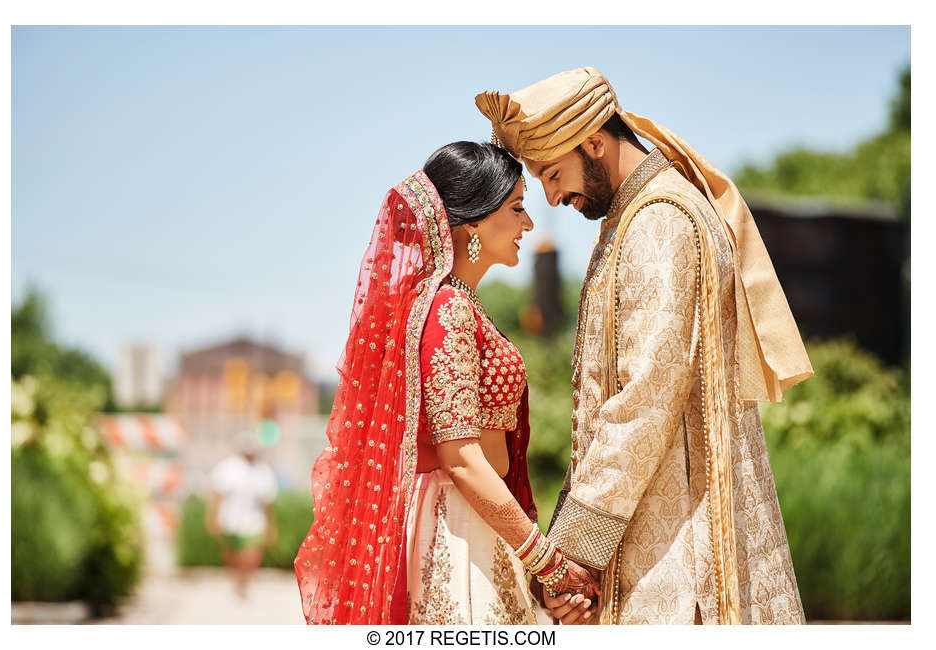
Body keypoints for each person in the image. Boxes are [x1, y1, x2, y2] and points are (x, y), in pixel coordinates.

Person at [475, 67, 814, 625]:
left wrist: (571, 552)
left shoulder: (660, 220)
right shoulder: (637, 215)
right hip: (665, 530)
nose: (552, 197)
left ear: (594, 142)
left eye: (552, 174)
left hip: (682, 559)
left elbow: (645, 398)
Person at [294, 142, 598, 625]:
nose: (528, 224)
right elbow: (461, 458)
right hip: (457, 529)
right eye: (517, 208)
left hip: (480, 520)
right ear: (473, 222)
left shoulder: (457, 304)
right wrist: (546, 559)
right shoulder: (449, 309)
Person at [205, 432, 279, 599]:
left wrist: (271, 526)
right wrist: (212, 517)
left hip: (254, 521)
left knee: (250, 555)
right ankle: (238, 578)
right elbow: (216, 495)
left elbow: (268, 502)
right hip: (230, 520)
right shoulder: (228, 468)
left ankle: (245, 580)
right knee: (231, 554)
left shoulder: (263, 471)